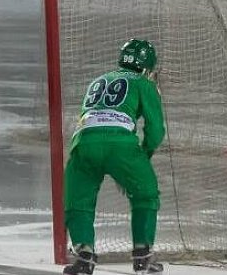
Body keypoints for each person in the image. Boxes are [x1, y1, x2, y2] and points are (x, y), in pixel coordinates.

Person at [63, 39, 166, 275]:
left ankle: (84, 256)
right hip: (122, 146)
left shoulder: (98, 80)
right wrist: (142, 159)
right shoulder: (143, 83)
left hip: (83, 143)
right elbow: (156, 131)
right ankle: (143, 255)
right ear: (146, 66)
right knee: (146, 194)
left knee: (78, 200)